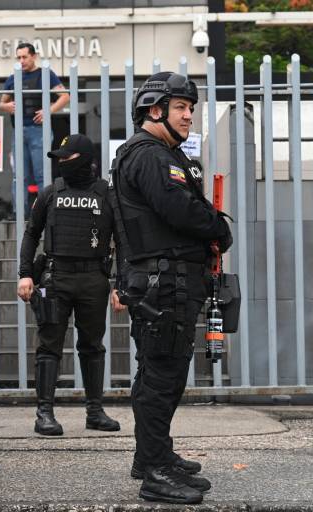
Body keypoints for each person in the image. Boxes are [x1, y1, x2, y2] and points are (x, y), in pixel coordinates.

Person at [112, 72, 232, 504]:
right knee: (162, 376)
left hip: (165, 281)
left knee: (159, 373)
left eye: (190, 109)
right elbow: (180, 209)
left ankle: (153, 457)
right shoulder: (150, 155)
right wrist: (219, 227)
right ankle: (155, 473)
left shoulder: (156, 154)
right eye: (181, 108)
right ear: (154, 109)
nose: (189, 117)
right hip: (165, 285)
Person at [16, 133, 121, 438]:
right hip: (56, 277)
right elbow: (30, 234)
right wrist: (25, 274)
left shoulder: (107, 194)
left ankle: (95, 411)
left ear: (86, 159)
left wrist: (121, 285)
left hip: (93, 279)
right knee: (49, 347)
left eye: (67, 158)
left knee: (92, 347)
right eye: (59, 159)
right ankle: (44, 413)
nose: (62, 163)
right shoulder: (50, 193)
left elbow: (123, 241)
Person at [0, 42, 69, 218]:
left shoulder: (46, 74)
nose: (21, 61)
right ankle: (18, 213)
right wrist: (7, 106)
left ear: (34, 56)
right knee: (19, 176)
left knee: (41, 174)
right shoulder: (13, 77)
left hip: (39, 131)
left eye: (24, 57)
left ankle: (45, 212)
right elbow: (2, 103)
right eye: (19, 57)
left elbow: (65, 96)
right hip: (19, 130)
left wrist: (49, 110)